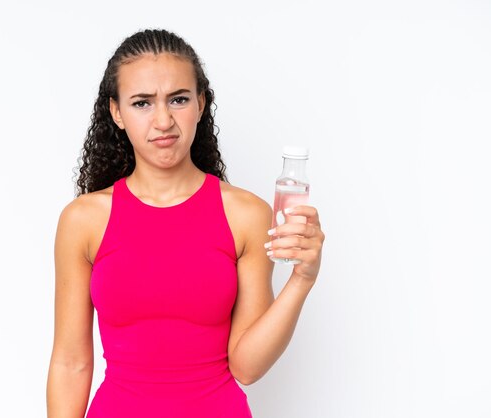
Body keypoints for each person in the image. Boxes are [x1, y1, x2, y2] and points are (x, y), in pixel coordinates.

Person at [46, 28, 325, 418]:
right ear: (116, 113)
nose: (163, 120)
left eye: (178, 99)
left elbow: (246, 366)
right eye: (142, 103)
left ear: (200, 103)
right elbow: (70, 363)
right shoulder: (84, 220)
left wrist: (302, 280)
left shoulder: (245, 215)